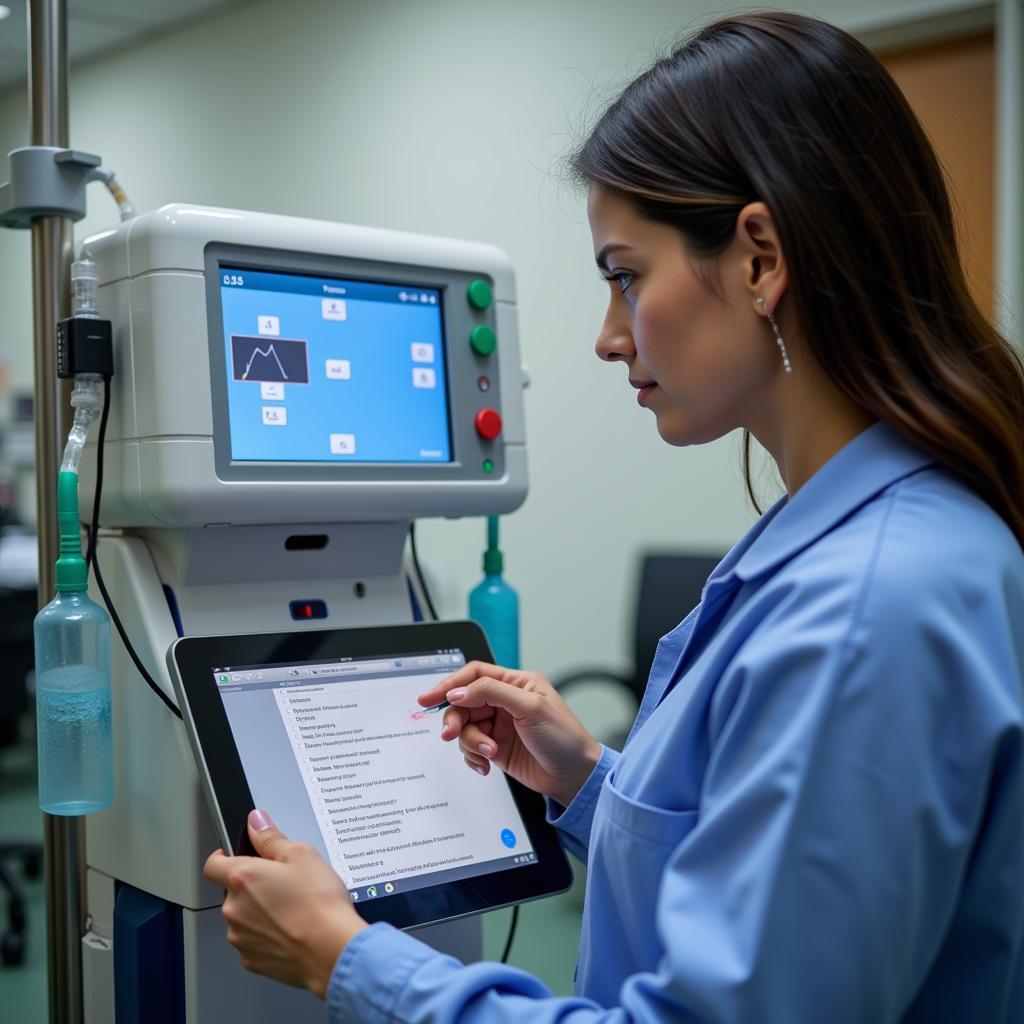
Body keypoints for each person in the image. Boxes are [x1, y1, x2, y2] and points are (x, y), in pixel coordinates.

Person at [203, 11, 1024, 1022]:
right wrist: (588, 778)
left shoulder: (865, 606)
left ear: (760, 258)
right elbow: (775, 888)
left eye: (625, 277)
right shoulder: (872, 531)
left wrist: (350, 959)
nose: (604, 337)